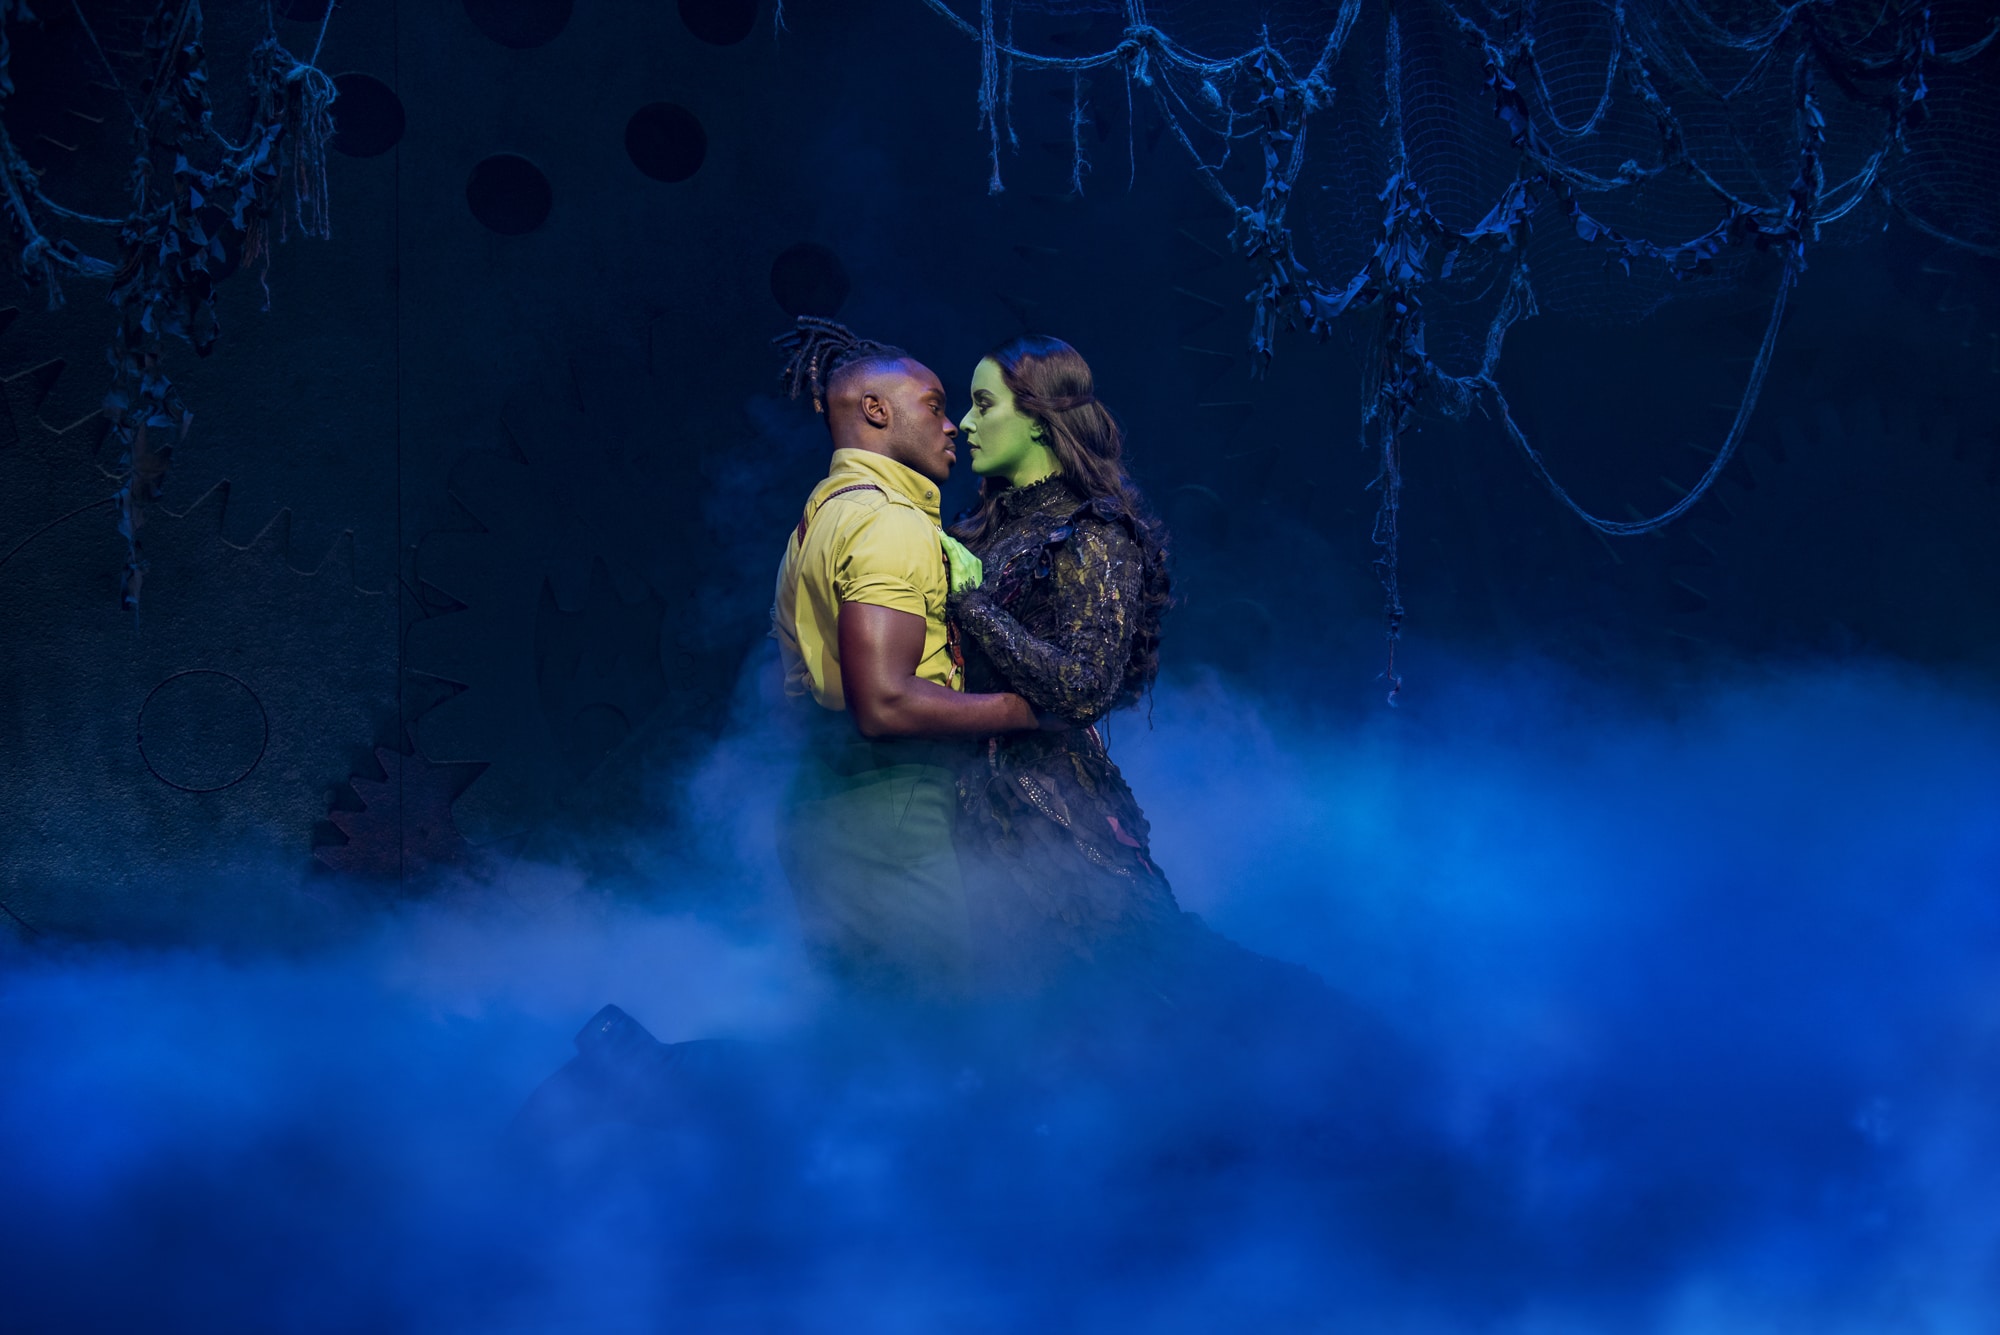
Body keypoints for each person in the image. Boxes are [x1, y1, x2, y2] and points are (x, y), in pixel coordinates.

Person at [769, 317, 1044, 995]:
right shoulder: (884, 521)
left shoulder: (826, 510)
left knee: (876, 1046)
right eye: (935, 405)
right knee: (930, 1031)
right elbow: (885, 702)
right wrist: (1035, 709)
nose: (952, 426)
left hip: (839, 802)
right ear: (876, 410)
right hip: (883, 804)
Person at [945, 334, 1183, 989]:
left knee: (1109, 1001)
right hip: (962, 806)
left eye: (983, 404)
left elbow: (1084, 689)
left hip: (1052, 817)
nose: (964, 423)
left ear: (1039, 419)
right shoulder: (979, 528)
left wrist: (970, 604)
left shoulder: (1093, 534)